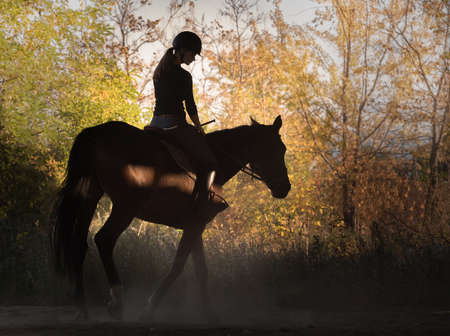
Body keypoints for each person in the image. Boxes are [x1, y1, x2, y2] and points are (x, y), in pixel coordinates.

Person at [149, 31, 217, 213]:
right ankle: (200, 204)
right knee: (210, 162)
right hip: (174, 125)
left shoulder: (160, 70)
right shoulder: (184, 76)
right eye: (193, 54)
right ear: (183, 51)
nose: (194, 58)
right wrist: (198, 128)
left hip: (155, 123)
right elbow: (191, 107)